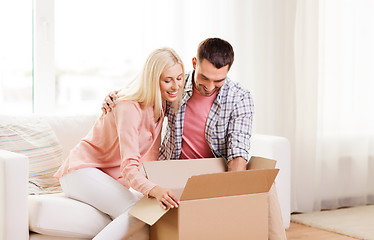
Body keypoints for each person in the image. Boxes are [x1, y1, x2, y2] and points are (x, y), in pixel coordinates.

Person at [102, 38, 287, 240]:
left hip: (216, 171)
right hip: (175, 170)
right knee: (142, 215)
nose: (209, 86)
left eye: (218, 81)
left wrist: (234, 192)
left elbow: (238, 149)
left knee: (266, 182)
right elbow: (145, 90)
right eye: (204, 78)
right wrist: (115, 97)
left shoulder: (239, 97)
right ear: (194, 63)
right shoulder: (177, 84)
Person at [54, 47, 185, 240]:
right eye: (168, 80)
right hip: (80, 171)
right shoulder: (129, 106)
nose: (176, 86)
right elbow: (129, 167)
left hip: (109, 178)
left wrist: (154, 188)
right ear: (152, 80)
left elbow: (152, 156)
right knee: (136, 211)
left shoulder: (161, 104)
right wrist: (153, 189)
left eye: (180, 78)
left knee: (149, 212)